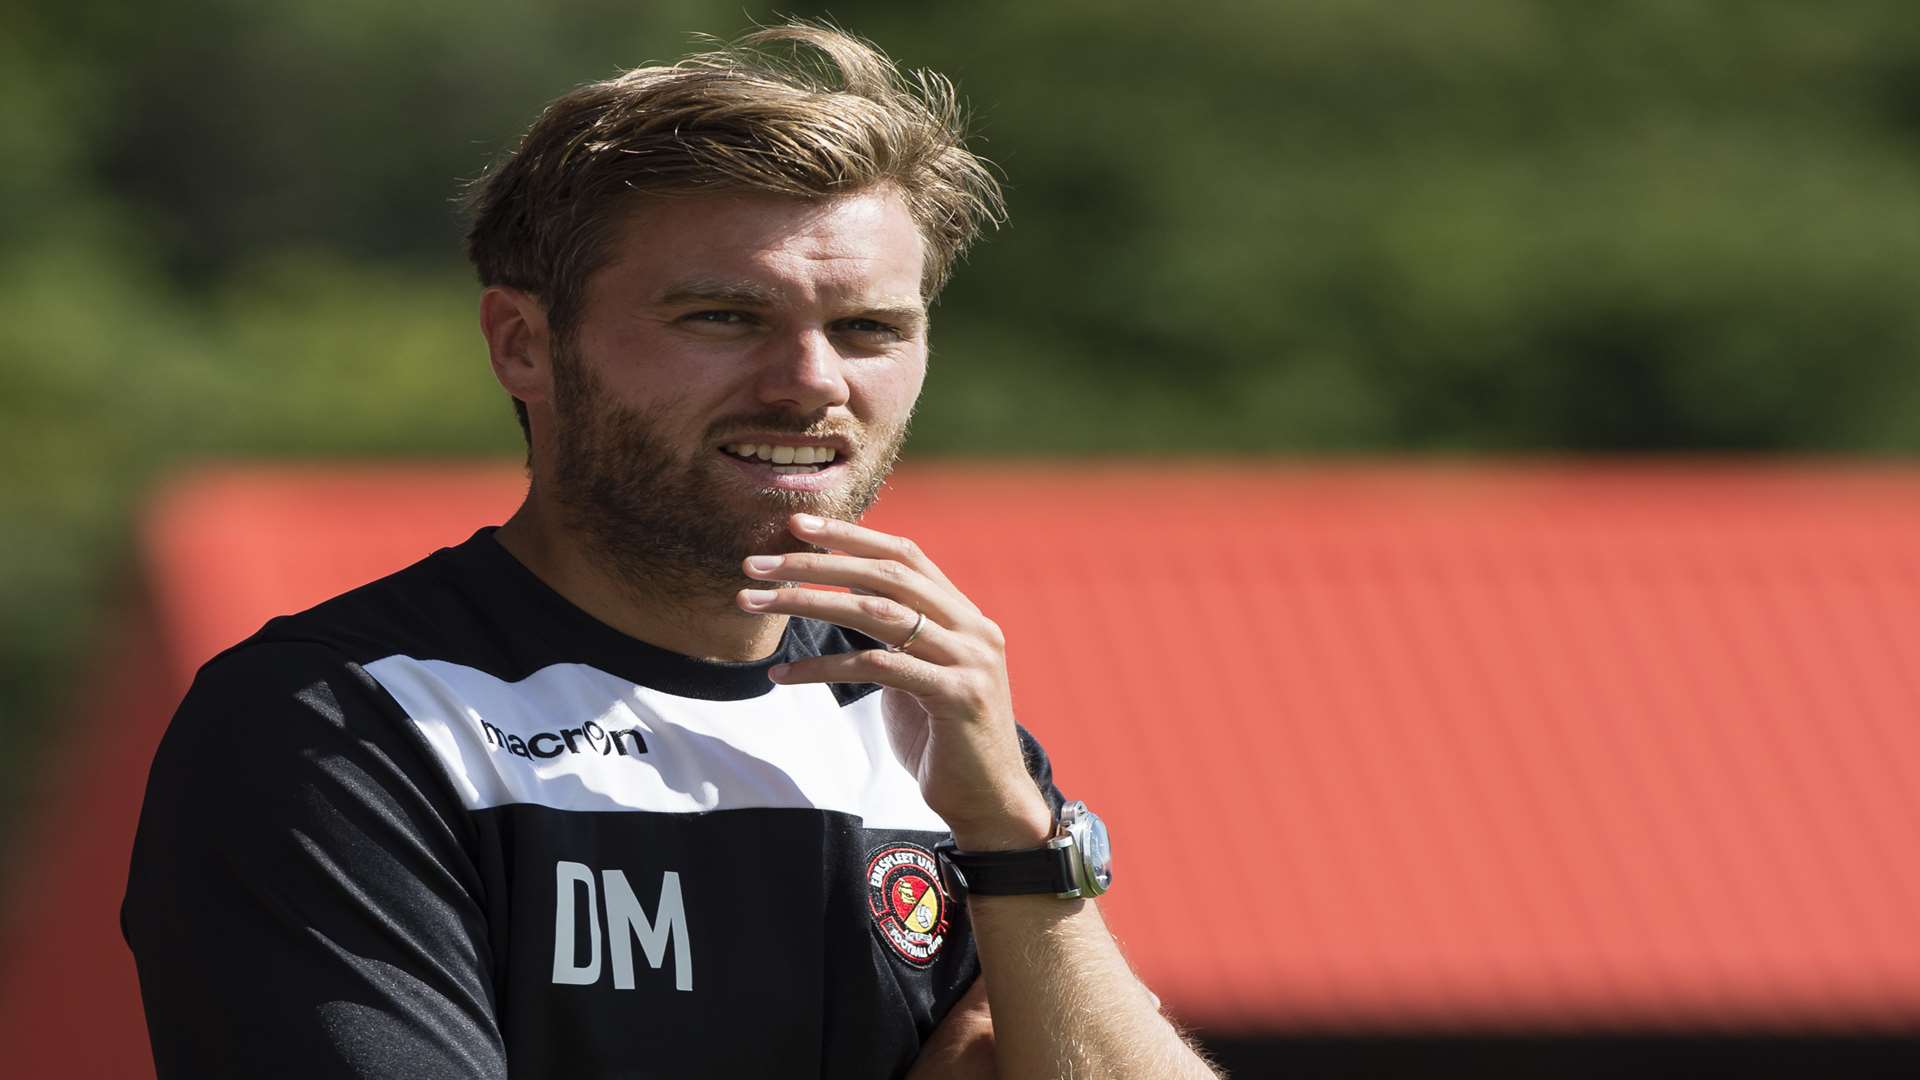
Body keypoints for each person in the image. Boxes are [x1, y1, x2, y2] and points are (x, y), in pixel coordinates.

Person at [122, 22, 1220, 1080]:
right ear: (524, 345)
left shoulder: (932, 727)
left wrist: (1019, 844)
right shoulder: (340, 727)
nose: (812, 384)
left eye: (870, 329)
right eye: (722, 319)